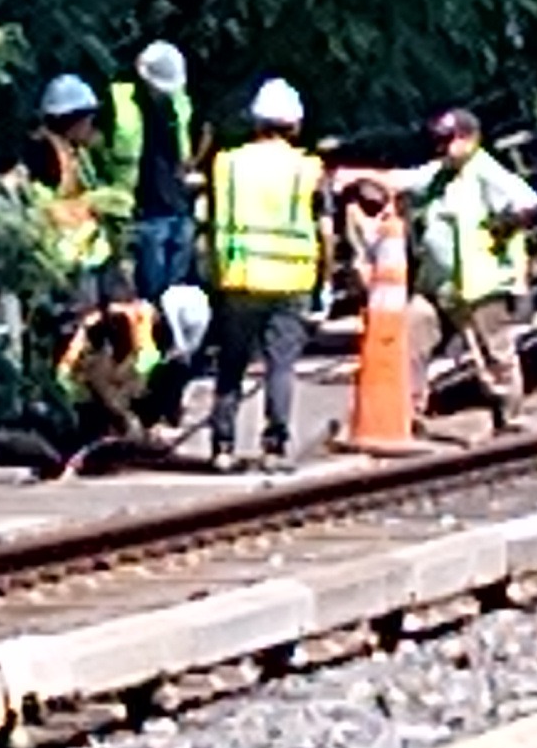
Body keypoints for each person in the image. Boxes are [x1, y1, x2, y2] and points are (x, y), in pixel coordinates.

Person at [203, 77, 325, 469]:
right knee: (281, 365)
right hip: (292, 279)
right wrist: (326, 280)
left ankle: (222, 446)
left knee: (232, 363)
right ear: (295, 125)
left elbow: (211, 221)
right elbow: (326, 229)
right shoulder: (307, 169)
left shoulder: (228, 164)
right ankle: (275, 446)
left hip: (239, 276)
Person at [411, 108, 537, 429]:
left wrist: (500, 228)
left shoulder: (484, 170)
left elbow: (527, 202)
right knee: (412, 339)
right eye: (438, 141)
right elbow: (405, 180)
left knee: (496, 351)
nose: (442, 148)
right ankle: (409, 410)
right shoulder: (441, 173)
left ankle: (510, 413)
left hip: (479, 282)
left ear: (469, 139)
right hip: (437, 282)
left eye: (449, 141)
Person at [55, 282, 208, 469]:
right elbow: (78, 364)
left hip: (129, 381)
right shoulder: (102, 326)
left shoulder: (140, 321)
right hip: (95, 387)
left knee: (166, 372)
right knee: (102, 379)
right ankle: (114, 434)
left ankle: (142, 429)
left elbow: (147, 361)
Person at [102, 41, 199, 300]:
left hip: (178, 206)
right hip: (143, 209)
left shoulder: (179, 101)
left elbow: (184, 146)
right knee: (152, 292)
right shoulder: (118, 100)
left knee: (177, 292)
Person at [26, 75, 120, 312]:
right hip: (61, 264)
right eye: (87, 120)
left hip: (83, 258)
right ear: (72, 121)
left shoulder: (75, 151)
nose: (91, 126)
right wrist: (88, 204)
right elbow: (42, 207)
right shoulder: (43, 155)